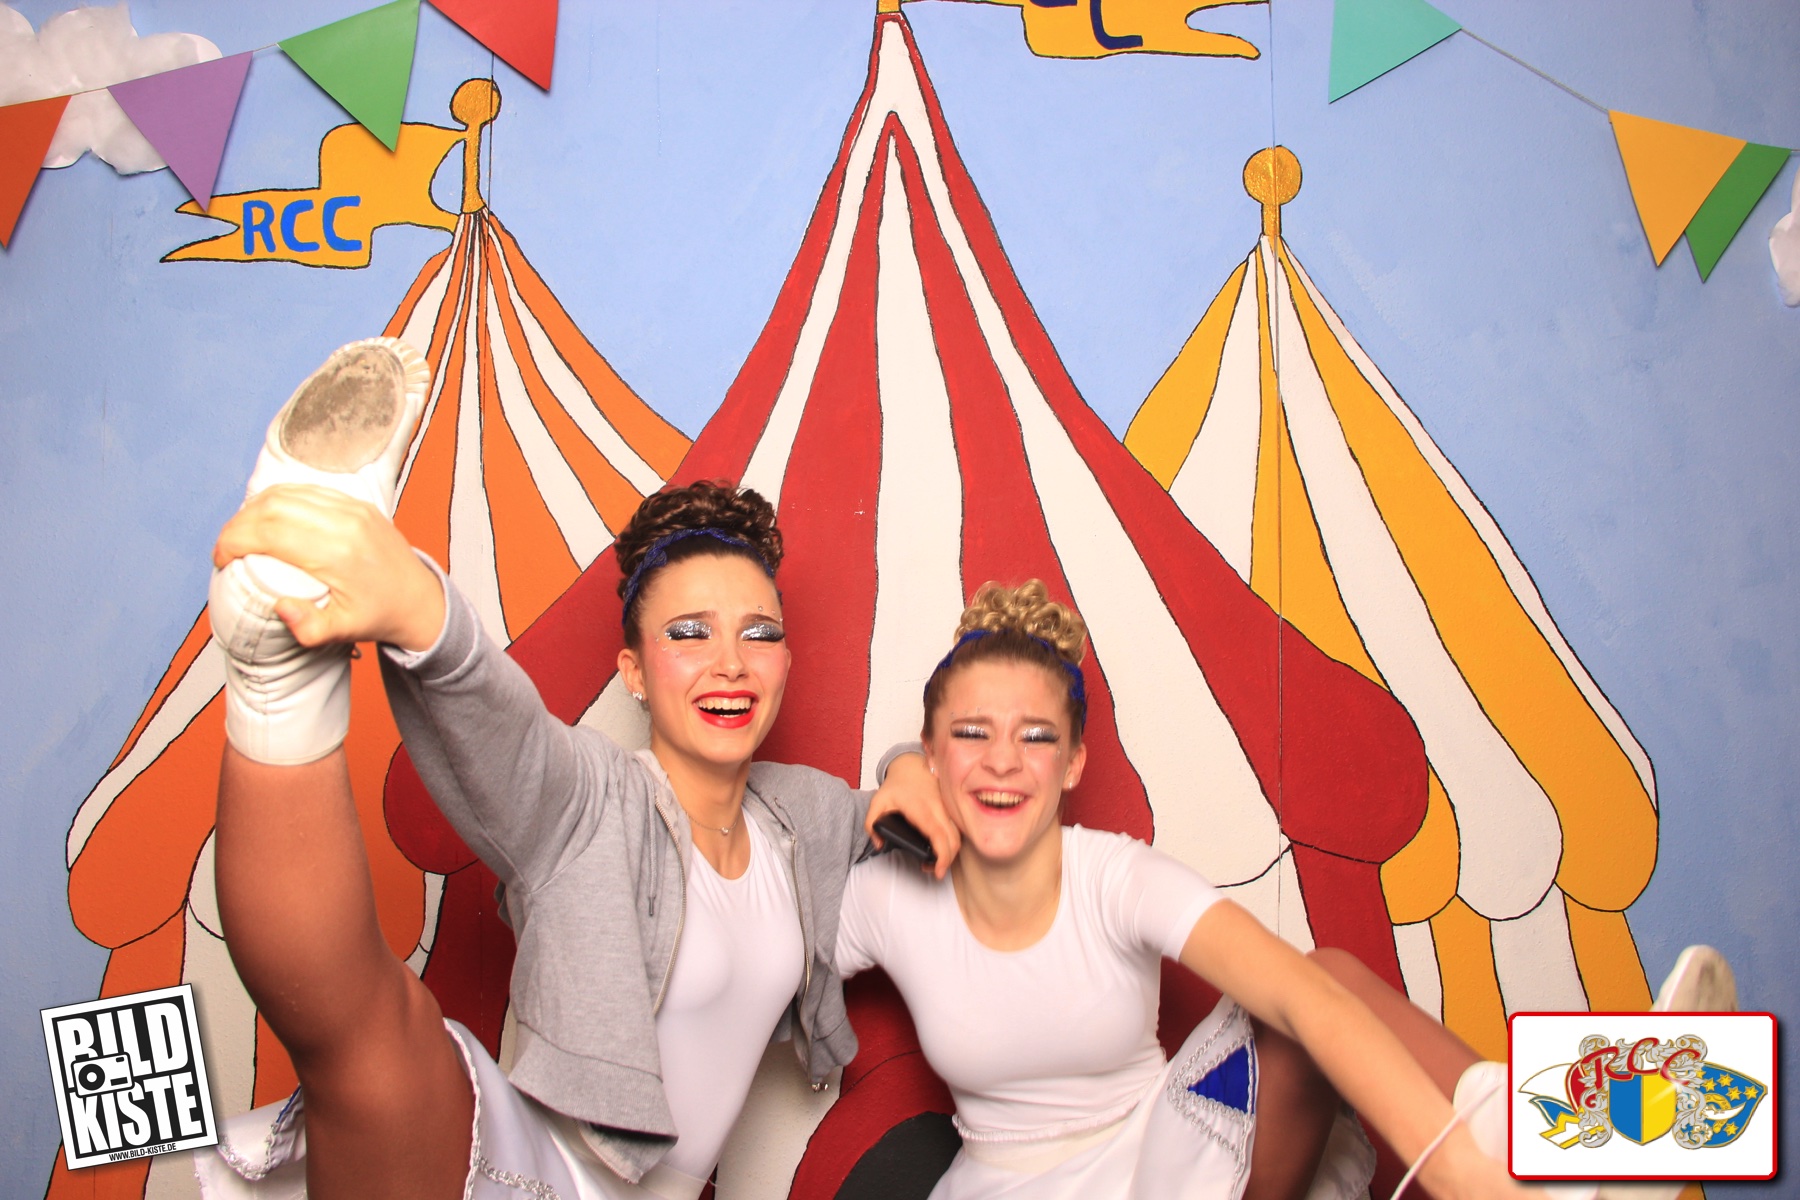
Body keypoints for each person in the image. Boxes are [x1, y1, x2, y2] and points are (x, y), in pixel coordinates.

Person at [195, 338, 957, 1199]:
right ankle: (276, 670)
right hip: (533, 1174)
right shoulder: (593, 799)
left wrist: (908, 767)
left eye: (761, 634)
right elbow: (513, 736)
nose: (731, 664)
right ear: (633, 671)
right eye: (689, 633)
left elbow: (930, 811)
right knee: (384, 1041)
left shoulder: (803, 816)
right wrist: (422, 613)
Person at [834, 580, 1734, 1200]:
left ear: (1073, 763)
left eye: (1034, 736)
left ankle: (1616, 1132)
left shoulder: (1115, 875)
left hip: (1175, 1166)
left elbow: (1305, 999)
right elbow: (764, 918)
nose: (1001, 761)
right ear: (931, 752)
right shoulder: (886, 900)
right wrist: (890, 782)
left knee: (1325, 979)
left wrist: (1461, 1172)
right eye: (971, 734)